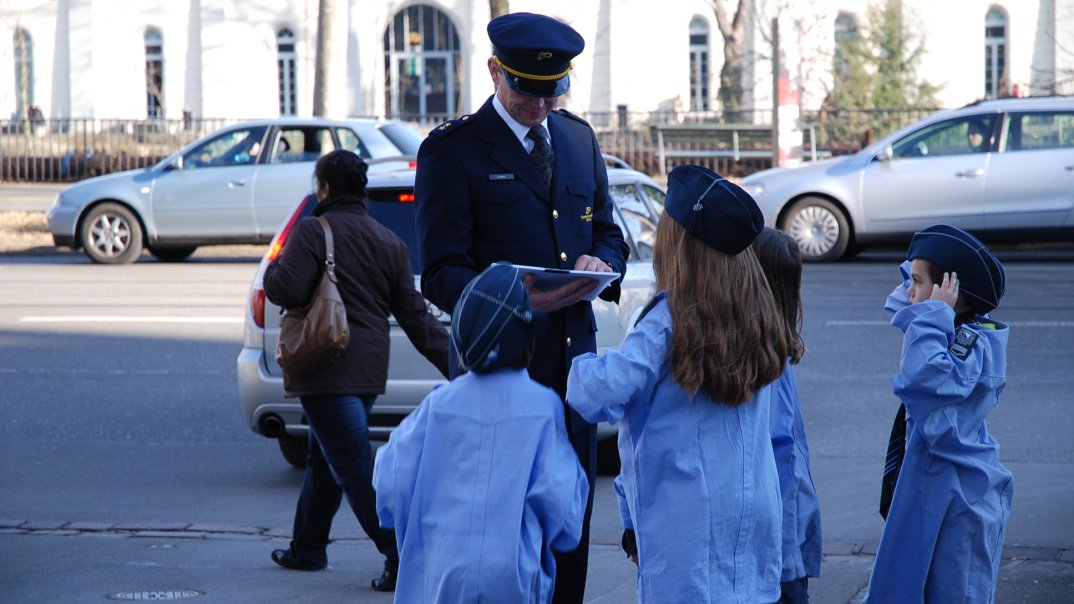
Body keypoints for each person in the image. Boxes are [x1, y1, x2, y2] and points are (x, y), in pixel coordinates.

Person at [413, 12, 629, 603]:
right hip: (499, 377)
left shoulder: (579, 139)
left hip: (573, 377)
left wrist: (600, 266)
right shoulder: (453, 151)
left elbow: (609, 234)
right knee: (504, 530)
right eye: (526, 90)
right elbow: (439, 272)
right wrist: (512, 299)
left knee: (572, 529)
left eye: (552, 90)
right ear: (493, 72)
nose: (539, 104)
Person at [565, 164, 790, 603]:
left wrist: (571, 331)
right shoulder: (758, 311)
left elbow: (599, 392)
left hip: (685, 514)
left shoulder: (669, 320)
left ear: (677, 244)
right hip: (751, 505)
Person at [262, 149, 450, 592]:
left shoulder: (313, 231)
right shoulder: (388, 241)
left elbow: (284, 287)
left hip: (324, 368)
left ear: (324, 189)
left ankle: (399, 553)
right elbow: (416, 318)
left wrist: (273, 272)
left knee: (352, 463)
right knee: (326, 457)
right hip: (367, 371)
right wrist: (461, 365)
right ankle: (307, 548)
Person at [373, 264, 590, 603]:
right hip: (511, 577)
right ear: (528, 338)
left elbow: (391, 481)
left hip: (439, 571)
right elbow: (562, 506)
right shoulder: (542, 407)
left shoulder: (437, 405)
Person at [863, 224, 1013, 603]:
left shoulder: (970, 342)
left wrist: (934, 312)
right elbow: (902, 301)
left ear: (950, 294)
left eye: (916, 282)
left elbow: (926, 380)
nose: (909, 291)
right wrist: (931, 292)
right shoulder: (942, 326)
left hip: (962, 497)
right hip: (934, 486)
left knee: (954, 592)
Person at [752, 227, 823, 604]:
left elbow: (783, 458)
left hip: (777, 550)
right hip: (788, 541)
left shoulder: (765, 362)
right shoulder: (778, 349)